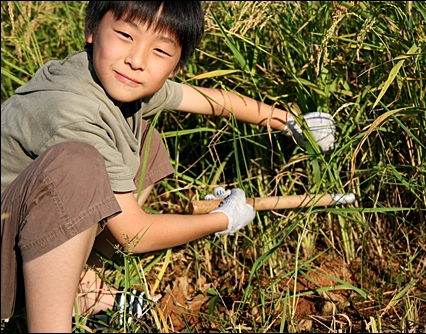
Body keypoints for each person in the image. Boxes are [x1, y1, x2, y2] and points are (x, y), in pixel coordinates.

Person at [0, 1, 337, 332]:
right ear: (91, 29)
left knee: (147, 143)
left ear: (176, 65)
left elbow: (212, 101)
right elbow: (133, 235)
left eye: (160, 51)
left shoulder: (111, 78)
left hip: (17, 244)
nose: (137, 60)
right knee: (78, 166)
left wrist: (290, 123)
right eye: (125, 35)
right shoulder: (72, 110)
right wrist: (222, 219)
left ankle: (80, 284)